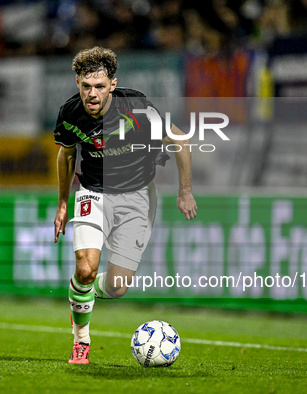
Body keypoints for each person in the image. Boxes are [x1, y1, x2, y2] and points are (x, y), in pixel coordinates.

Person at [53, 46, 197, 364]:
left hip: (138, 197)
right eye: (86, 86)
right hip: (93, 192)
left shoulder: (136, 106)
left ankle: (82, 293)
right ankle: (81, 340)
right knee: (86, 268)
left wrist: (185, 191)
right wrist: (63, 202)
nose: (92, 94)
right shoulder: (70, 113)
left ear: (113, 85)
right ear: (77, 82)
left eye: (100, 86)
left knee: (118, 287)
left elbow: (181, 141)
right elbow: (66, 154)